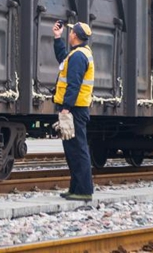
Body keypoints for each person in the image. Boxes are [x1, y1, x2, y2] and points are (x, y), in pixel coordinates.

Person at [52, 20, 95, 201]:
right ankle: (76, 188)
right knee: (72, 149)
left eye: (70, 33)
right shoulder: (77, 54)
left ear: (75, 35)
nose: (69, 34)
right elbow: (63, 59)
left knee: (78, 149)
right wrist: (57, 38)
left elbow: (74, 85)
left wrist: (65, 109)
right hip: (75, 109)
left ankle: (84, 190)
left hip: (75, 110)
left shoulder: (79, 56)